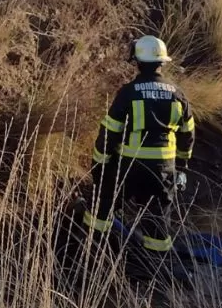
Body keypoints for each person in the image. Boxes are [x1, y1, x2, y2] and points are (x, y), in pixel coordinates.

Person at [84, 35, 196, 265]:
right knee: (157, 221)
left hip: (129, 166)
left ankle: (91, 258)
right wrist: (181, 169)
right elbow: (188, 135)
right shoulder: (178, 94)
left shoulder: (129, 92)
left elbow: (110, 131)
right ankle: (152, 271)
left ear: (137, 61)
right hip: (164, 169)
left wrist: (99, 164)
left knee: (102, 207)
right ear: (162, 62)